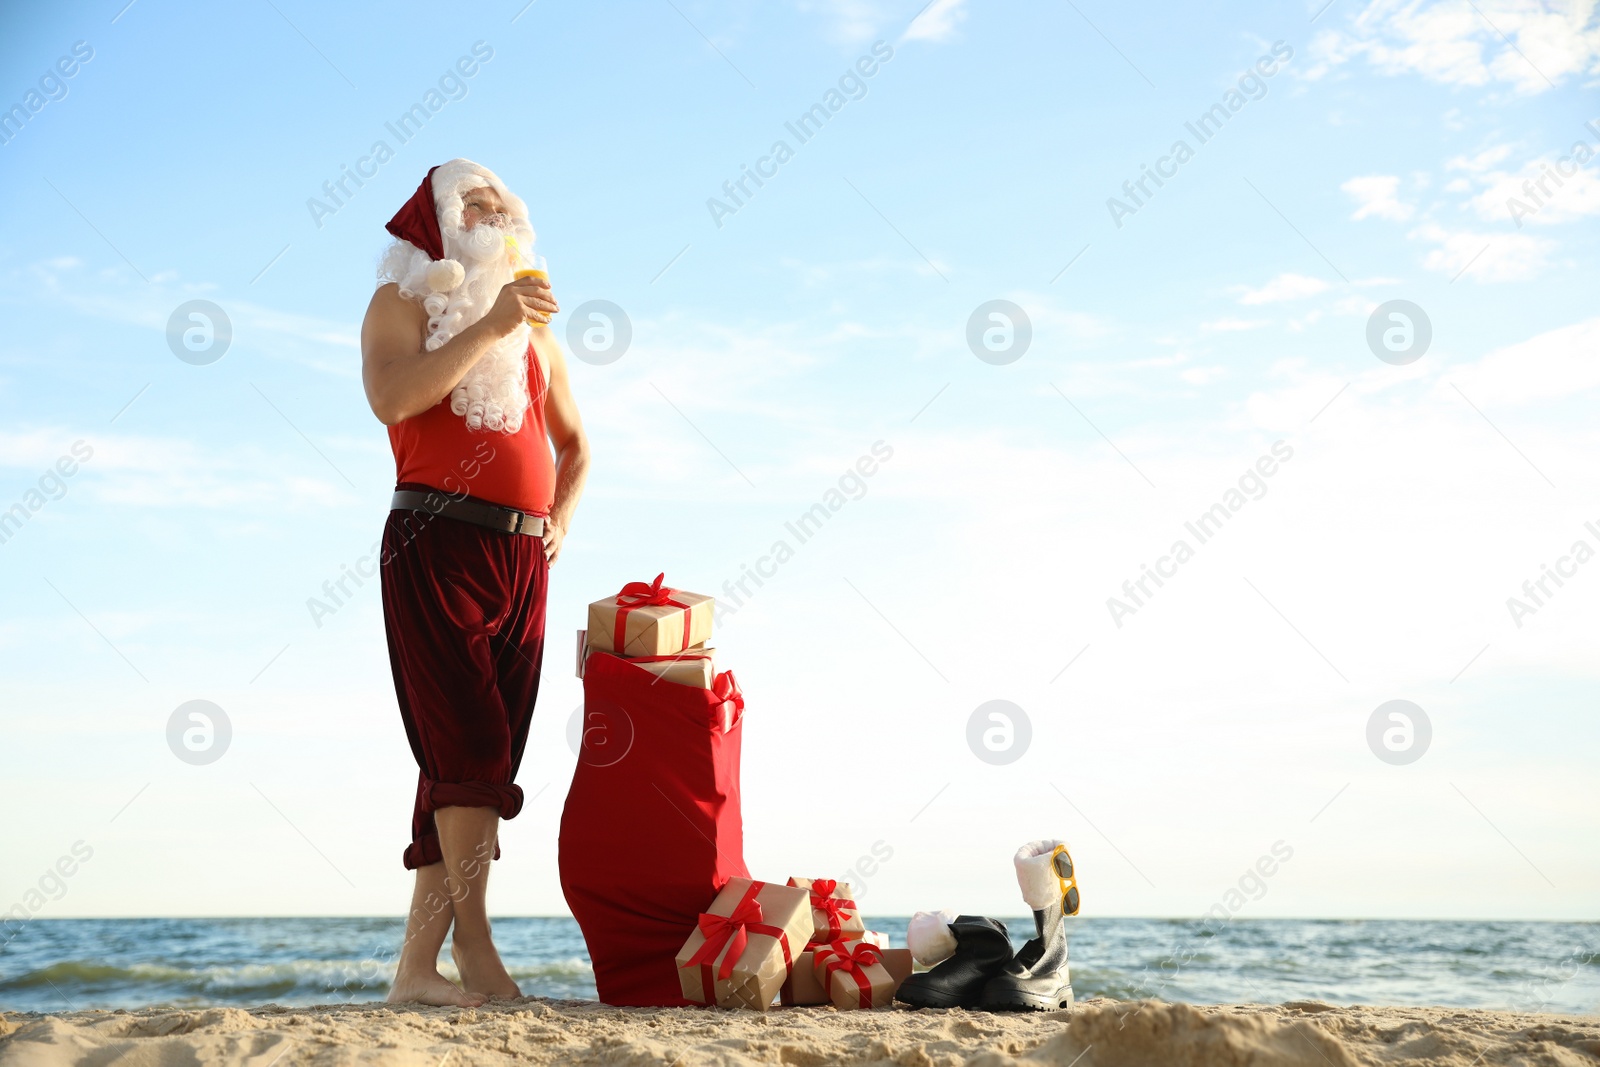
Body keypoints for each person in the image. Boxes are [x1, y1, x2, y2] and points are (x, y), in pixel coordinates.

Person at [360, 158, 590, 1006]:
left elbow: (577, 445)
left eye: (502, 204)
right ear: (437, 223)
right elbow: (391, 399)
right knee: (472, 747)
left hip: (523, 558)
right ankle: (478, 946)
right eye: (473, 204)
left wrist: (560, 515)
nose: (491, 214)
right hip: (433, 537)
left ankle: (416, 973)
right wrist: (490, 324)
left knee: (461, 769)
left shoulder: (538, 336)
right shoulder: (401, 304)